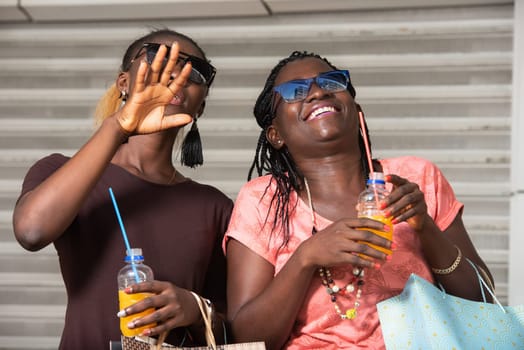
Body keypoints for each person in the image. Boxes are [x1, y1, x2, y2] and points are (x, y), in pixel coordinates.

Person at [223, 51, 494, 350]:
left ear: (357, 112)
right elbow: (246, 339)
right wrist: (306, 258)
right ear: (276, 135)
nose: (317, 92)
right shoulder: (263, 200)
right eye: (295, 91)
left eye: (330, 81)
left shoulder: (418, 177)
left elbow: (482, 300)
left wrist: (425, 228)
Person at [12, 29, 233, 349]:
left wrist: (194, 309)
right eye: (157, 59)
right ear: (124, 83)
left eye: (194, 71)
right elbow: (31, 231)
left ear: (200, 107)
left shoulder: (214, 206)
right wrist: (118, 126)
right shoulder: (62, 171)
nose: (174, 73)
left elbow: (235, 322)